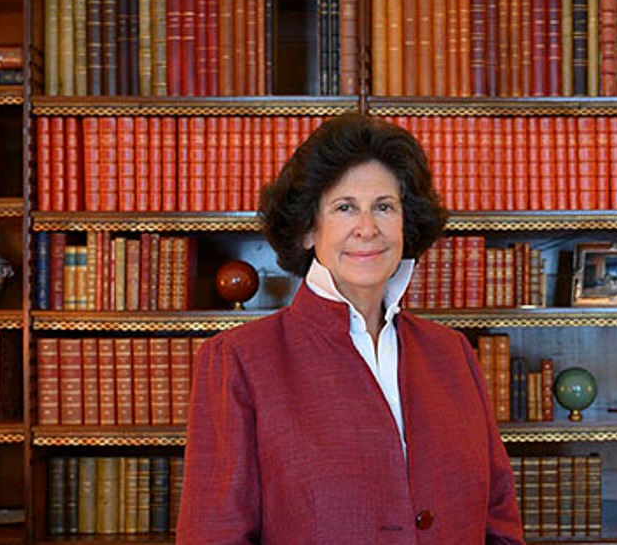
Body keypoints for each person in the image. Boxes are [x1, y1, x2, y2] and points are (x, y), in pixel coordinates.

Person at [176, 113, 525, 544]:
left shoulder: (453, 353)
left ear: (405, 223)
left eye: (384, 207)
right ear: (308, 229)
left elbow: (499, 522)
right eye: (345, 208)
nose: (368, 228)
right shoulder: (240, 360)